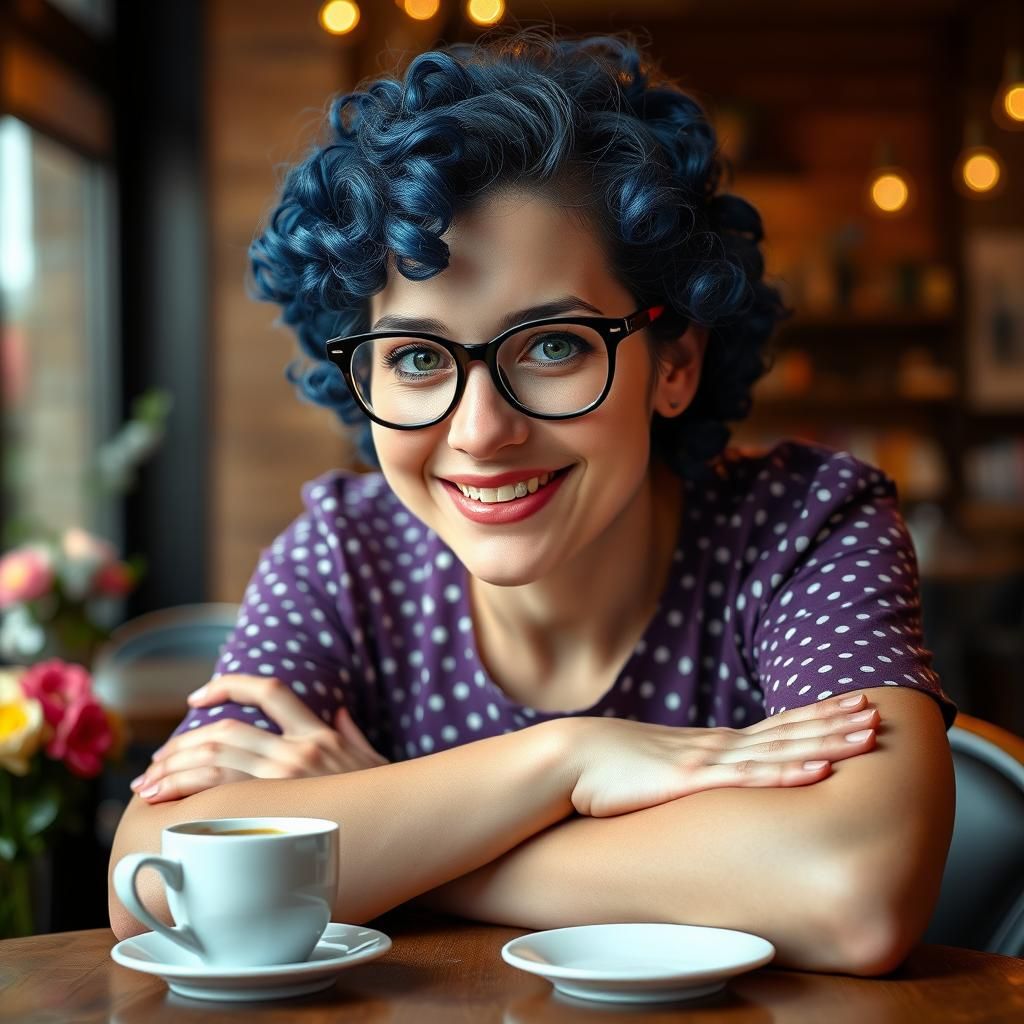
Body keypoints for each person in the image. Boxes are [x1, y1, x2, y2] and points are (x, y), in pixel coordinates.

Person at [109, 27, 958, 975]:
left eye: (553, 345)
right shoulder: (346, 554)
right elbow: (151, 873)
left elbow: (853, 889)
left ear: (674, 362)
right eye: (420, 359)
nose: (478, 431)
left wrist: (398, 829)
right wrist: (565, 762)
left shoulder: (805, 526)